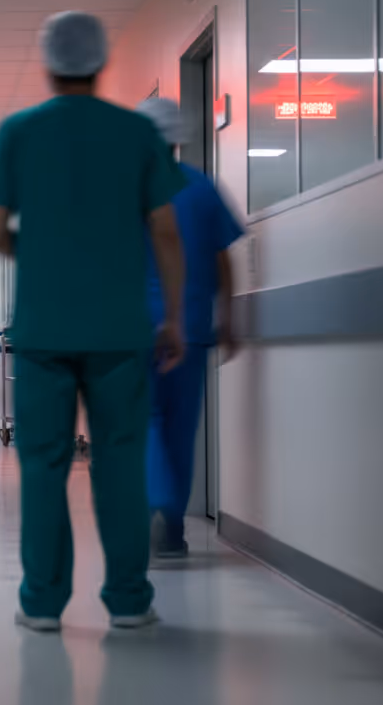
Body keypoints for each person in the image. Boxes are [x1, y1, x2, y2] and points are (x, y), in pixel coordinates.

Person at [0, 10, 187, 632]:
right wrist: (170, 316)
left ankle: (41, 604)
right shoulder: (136, 133)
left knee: (43, 467)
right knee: (120, 464)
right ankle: (128, 602)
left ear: (47, 63)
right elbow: (166, 232)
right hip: (121, 330)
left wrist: (40, 255)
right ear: (101, 64)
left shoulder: (18, 132)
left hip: (42, 330)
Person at [136, 98, 245, 559]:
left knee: (142, 423)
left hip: (133, 329)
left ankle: (154, 507)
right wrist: (229, 317)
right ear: (178, 139)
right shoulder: (200, 186)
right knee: (181, 430)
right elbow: (223, 257)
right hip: (193, 328)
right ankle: (172, 528)